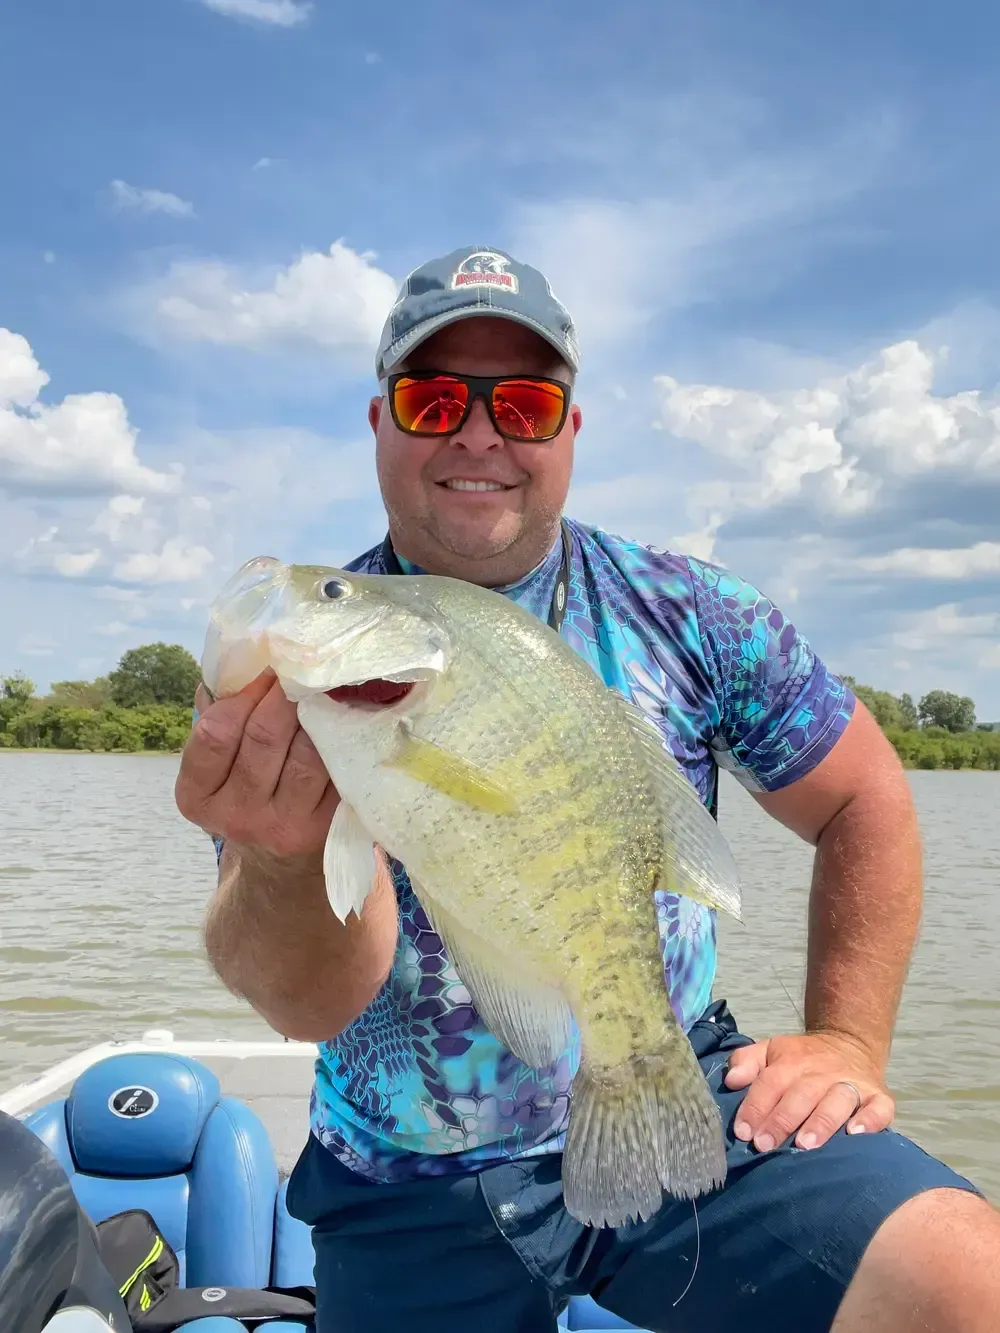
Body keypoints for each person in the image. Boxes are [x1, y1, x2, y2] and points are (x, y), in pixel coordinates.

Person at [175, 246, 1000, 1333]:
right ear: (380, 422)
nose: (480, 434)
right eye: (433, 400)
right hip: (402, 1178)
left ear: (570, 428)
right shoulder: (296, 680)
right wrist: (283, 857)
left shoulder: (692, 611)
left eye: (523, 403)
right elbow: (309, 1006)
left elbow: (868, 797)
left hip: (679, 1073)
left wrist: (846, 1040)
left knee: (972, 1285)